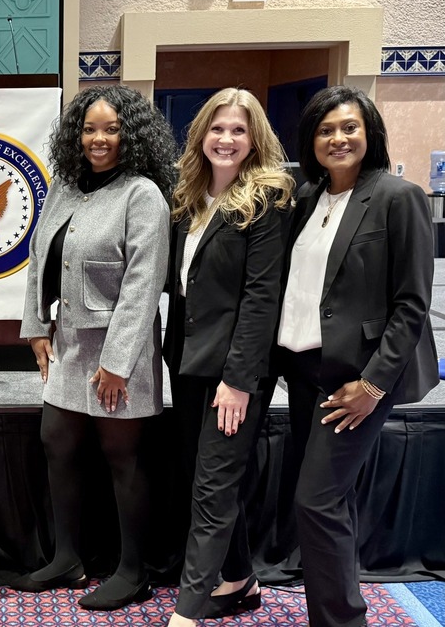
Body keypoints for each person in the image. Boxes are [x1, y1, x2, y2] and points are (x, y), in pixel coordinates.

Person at [277, 86, 438, 627]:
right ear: (311, 141)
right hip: (304, 372)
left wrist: (372, 386)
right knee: (331, 501)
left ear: (369, 133)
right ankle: (343, 612)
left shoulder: (399, 196)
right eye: (325, 130)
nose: (338, 138)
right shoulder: (305, 198)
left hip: (357, 379)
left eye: (349, 127)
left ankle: (340, 621)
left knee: (316, 501)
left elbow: (413, 303)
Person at [16, 84, 175, 610]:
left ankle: (133, 571)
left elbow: (143, 285)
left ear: (131, 135)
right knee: (56, 441)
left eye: (111, 128)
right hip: (68, 344)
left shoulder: (143, 194)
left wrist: (117, 364)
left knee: (121, 456)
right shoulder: (64, 186)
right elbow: (40, 259)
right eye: (89, 128)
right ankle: (68, 558)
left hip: (119, 353)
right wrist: (36, 324)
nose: (98, 139)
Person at [162, 88, 294, 626]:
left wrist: (238, 381)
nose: (226, 139)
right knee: (210, 477)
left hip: (234, 374)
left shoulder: (269, 198)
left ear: (254, 138)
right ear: (201, 134)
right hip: (188, 365)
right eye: (217, 128)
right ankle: (239, 577)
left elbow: (262, 297)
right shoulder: (189, 195)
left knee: (212, 490)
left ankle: (188, 612)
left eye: (239, 130)